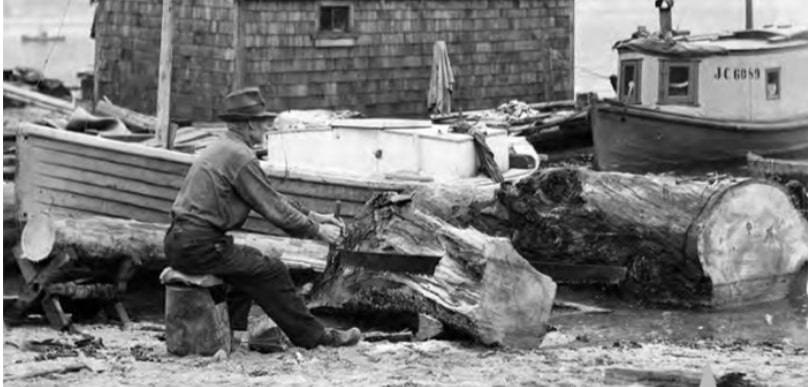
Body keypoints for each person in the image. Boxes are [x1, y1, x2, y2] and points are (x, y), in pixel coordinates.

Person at [163, 87, 362, 349]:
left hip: (182, 242)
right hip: (199, 246)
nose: (266, 129)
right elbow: (275, 210)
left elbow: (270, 197)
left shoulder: (224, 148)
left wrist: (314, 216)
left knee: (250, 263)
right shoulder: (240, 156)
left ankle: (231, 334)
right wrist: (317, 231)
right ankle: (315, 337)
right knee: (272, 270)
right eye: (262, 123)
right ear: (247, 125)